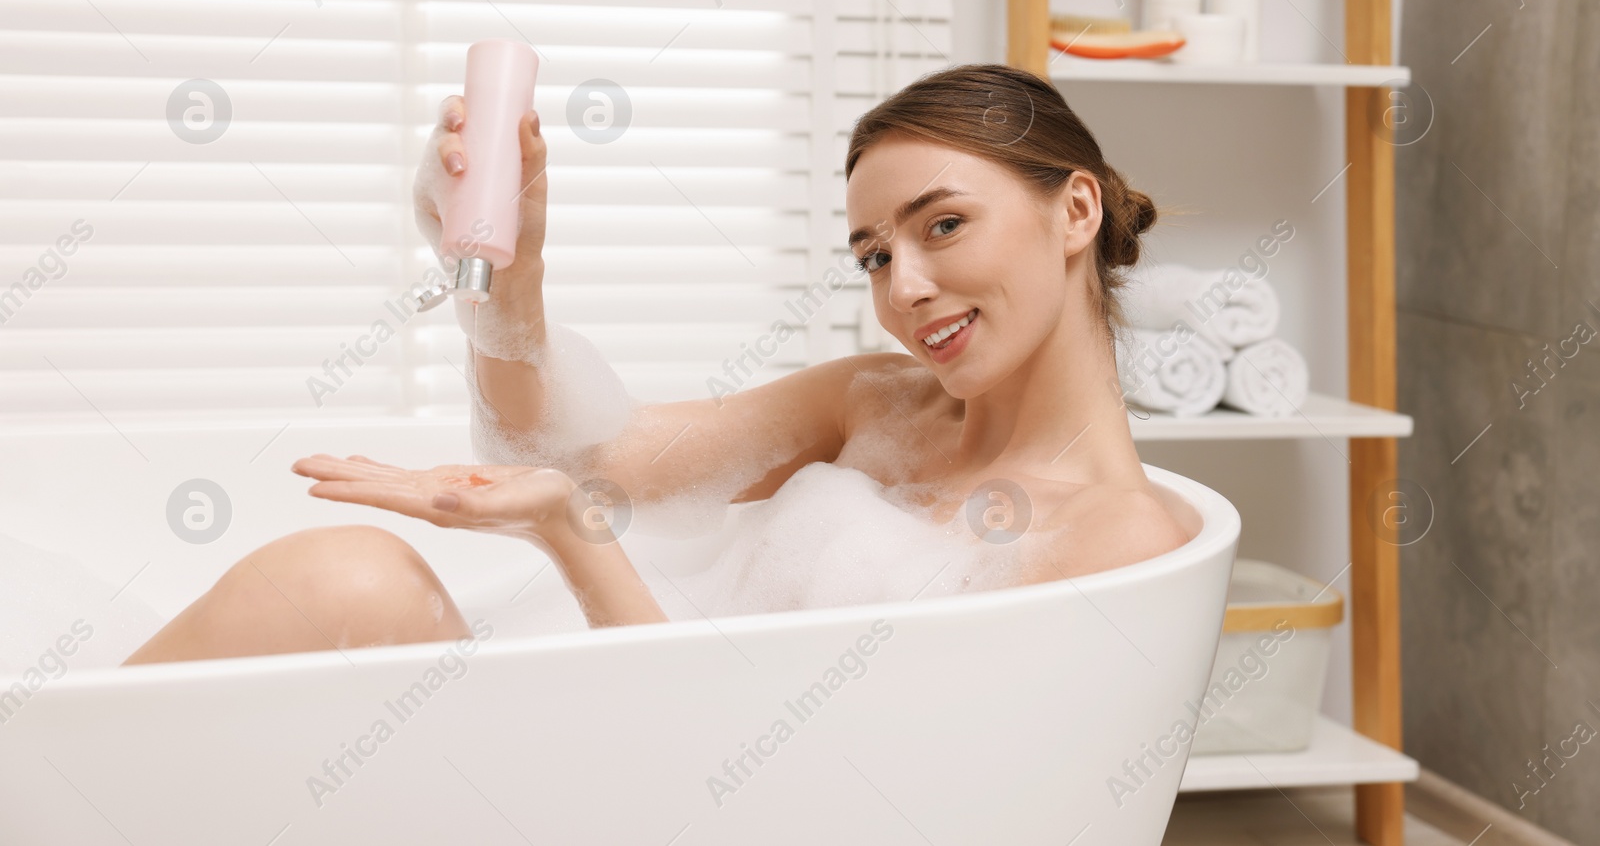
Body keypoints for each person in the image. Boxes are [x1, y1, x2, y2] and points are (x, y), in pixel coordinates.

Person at [124, 64, 1188, 665]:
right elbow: (593, 456)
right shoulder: (878, 402)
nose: (901, 284)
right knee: (338, 574)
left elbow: (785, 790)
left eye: (942, 224)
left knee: (343, 579)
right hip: (619, 742)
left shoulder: (1110, 539)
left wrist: (565, 531)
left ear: (1075, 210)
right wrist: (508, 273)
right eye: (872, 253)